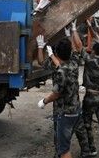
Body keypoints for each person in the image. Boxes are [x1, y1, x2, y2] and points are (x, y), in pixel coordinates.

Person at [36, 29, 81, 158]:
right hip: (76, 109)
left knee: (63, 148)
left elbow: (56, 94)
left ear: (56, 53)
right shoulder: (74, 62)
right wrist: (70, 35)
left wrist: (44, 101)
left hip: (65, 113)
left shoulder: (60, 72)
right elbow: (75, 51)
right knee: (63, 142)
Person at [75, 22, 99, 156]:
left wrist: (74, 30)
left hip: (90, 97)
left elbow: (79, 48)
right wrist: (96, 35)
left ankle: (92, 148)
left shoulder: (90, 60)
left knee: (87, 123)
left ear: (95, 51)